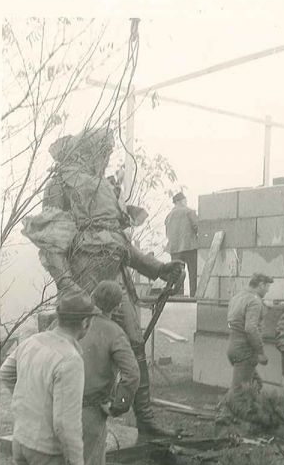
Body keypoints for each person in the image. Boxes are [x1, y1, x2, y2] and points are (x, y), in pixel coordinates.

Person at [22, 126, 183, 437]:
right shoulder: (60, 182)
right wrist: (68, 286)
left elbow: (120, 243)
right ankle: (68, 420)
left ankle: (145, 419)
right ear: (89, 150)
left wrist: (158, 267)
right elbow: (51, 239)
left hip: (115, 280)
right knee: (82, 347)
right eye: (104, 152)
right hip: (83, 278)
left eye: (109, 153)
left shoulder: (105, 188)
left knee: (134, 343)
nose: (107, 158)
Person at [0, 293, 100, 465]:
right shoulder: (70, 360)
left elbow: (6, 374)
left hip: (22, 442)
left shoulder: (32, 342)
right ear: (85, 323)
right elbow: (65, 424)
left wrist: (31, 402)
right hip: (48, 454)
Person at [65, 280, 140, 465]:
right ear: (117, 305)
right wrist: (119, 405)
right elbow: (132, 374)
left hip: (59, 406)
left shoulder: (68, 323)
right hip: (89, 412)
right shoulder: (113, 332)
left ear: (92, 295)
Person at [226, 273, 274, 391]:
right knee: (240, 390)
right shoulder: (255, 301)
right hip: (245, 351)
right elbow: (251, 328)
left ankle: (250, 408)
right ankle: (224, 408)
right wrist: (260, 352)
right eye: (267, 287)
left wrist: (264, 307)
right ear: (261, 285)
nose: (267, 291)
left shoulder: (237, 297)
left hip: (233, 347)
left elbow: (239, 318)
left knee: (256, 384)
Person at [165, 191, 198, 297]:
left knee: (177, 275)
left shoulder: (169, 216)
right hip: (190, 247)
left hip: (174, 249)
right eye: (185, 200)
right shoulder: (189, 212)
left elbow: (167, 233)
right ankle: (193, 296)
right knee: (193, 273)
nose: (186, 202)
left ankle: (178, 296)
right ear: (181, 201)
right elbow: (197, 226)